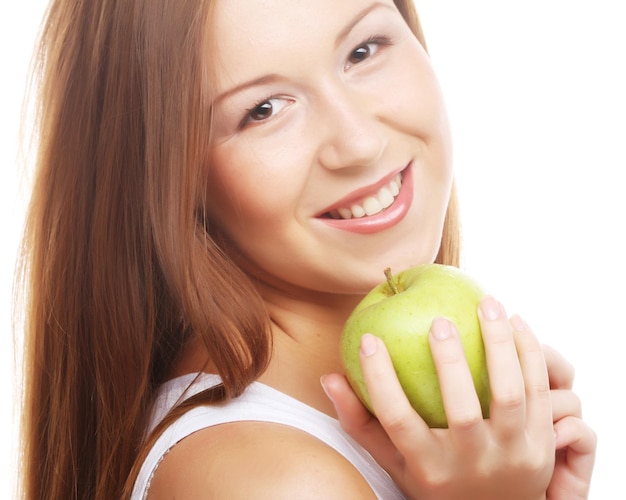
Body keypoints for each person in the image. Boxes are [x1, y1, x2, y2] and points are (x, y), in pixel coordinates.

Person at [18, 0, 596, 498]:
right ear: (169, 183)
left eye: (365, 50)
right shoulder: (267, 479)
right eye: (263, 110)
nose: (360, 142)